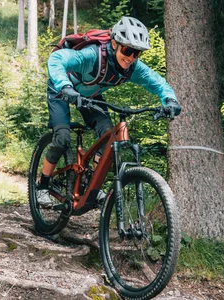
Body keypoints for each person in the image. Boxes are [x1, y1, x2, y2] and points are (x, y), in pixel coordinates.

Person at [36, 16, 182, 202]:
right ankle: (43, 185)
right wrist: (65, 86)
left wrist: (170, 101)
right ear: (114, 44)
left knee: (108, 136)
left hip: (90, 96)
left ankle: (90, 186)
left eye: (136, 53)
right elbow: (57, 59)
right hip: (61, 89)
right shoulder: (92, 55)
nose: (130, 58)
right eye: (127, 50)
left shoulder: (133, 68)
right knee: (63, 138)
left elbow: (157, 83)